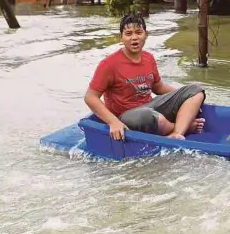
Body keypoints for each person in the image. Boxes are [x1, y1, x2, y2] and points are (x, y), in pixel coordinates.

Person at [84, 13, 206, 141]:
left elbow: (159, 87)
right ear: (121, 38)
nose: (134, 38)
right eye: (129, 34)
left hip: (151, 107)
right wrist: (113, 122)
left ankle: (177, 133)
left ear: (146, 35)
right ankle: (183, 127)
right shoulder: (109, 64)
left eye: (138, 32)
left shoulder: (149, 58)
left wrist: (184, 98)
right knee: (146, 116)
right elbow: (90, 97)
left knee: (196, 90)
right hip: (128, 117)